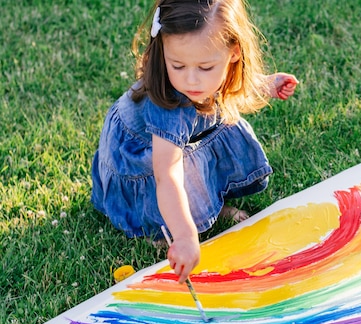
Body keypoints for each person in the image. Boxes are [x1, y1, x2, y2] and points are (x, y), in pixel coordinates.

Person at [91, 0, 298, 284]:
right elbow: (166, 176)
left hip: (183, 144)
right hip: (144, 159)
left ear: (233, 53)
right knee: (178, 180)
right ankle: (162, 230)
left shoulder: (210, 76)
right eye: (177, 65)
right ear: (163, 52)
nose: (191, 79)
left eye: (205, 67)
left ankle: (211, 205)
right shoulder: (169, 105)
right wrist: (186, 236)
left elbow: (232, 86)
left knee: (221, 127)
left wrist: (267, 84)